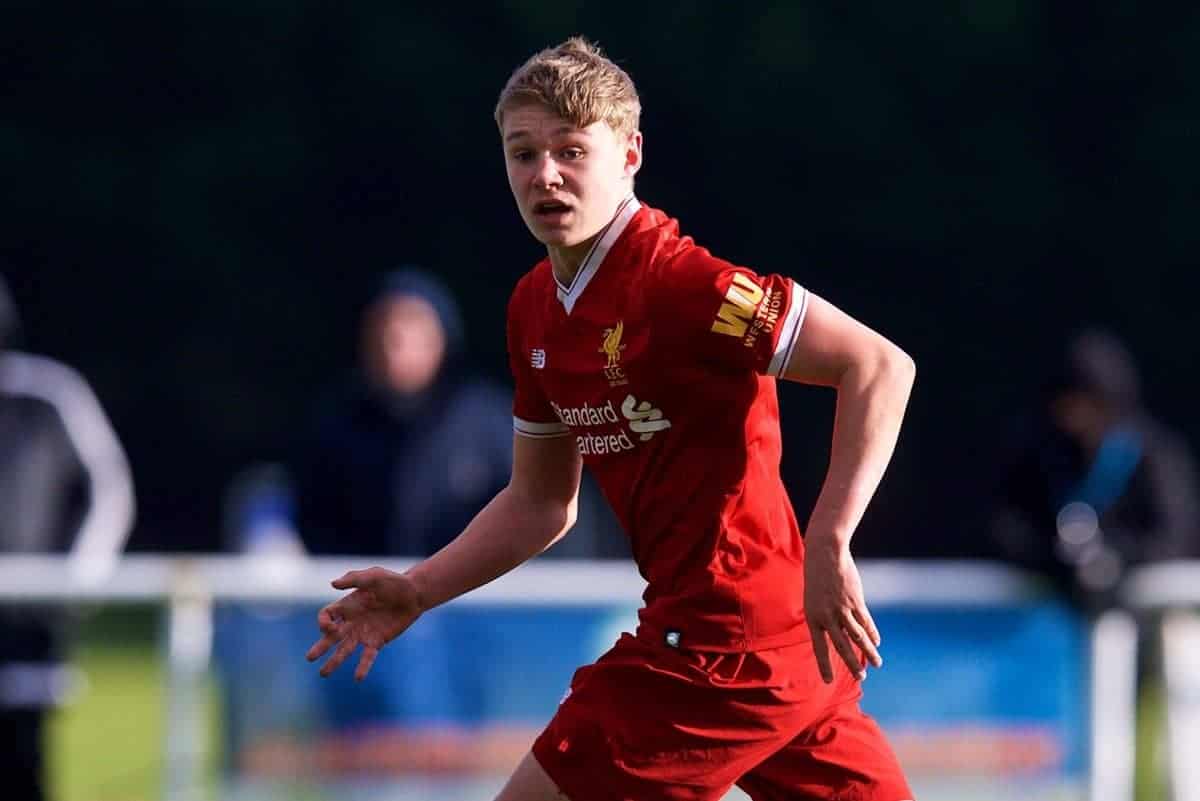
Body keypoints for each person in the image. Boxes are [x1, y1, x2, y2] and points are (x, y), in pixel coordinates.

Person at [306, 38, 916, 801]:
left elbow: (882, 365)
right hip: (772, 650)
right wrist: (419, 589)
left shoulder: (686, 285)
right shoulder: (534, 307)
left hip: (722, 646)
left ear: (629, 154)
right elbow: (540, 503)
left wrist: (831, 536)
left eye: (570, 150)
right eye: (522, 153)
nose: (544, 174)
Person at [0, 274, 136, 801]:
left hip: (28, 638)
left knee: (21, 769)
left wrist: (75, 583)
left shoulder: (49, 393)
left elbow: (108, 487)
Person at [990, 328, 1200, 610]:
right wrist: (1058, 559)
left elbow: (1175, 536)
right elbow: (1008, 527)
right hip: (1059, 615)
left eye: (1091, 403)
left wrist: (1114, 557)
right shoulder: (1043, 454)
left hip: (1151, 616)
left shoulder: (1154, 456)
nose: (1079, 415)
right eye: (1070, 403)